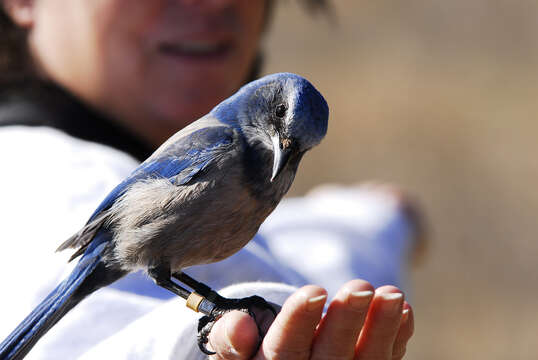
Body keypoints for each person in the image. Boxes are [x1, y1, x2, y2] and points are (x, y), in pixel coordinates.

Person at [0, 1, 418, 359]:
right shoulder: (62, 174)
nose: (214, 2)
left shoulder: (273, 167)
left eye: (297, 151)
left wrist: (380, 221)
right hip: (121, 233)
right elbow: (109, 333)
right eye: (283, 136)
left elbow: (304, 250)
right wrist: (196, 340)